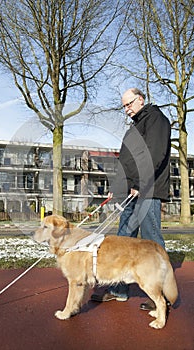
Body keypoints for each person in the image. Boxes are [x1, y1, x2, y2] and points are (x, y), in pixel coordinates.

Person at [91, 88, 171, 311]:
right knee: (123, 239)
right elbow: (126, 163)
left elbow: (156, 154)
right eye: (124, 106)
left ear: (141, 99)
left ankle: (160, 295)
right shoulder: (134, 128)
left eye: (129, 104)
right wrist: (116, 189)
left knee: (150, 242)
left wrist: (140, 184)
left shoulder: (156, 119)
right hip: (132, 193)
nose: (127, 109)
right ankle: (118, 290)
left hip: (148, 190)